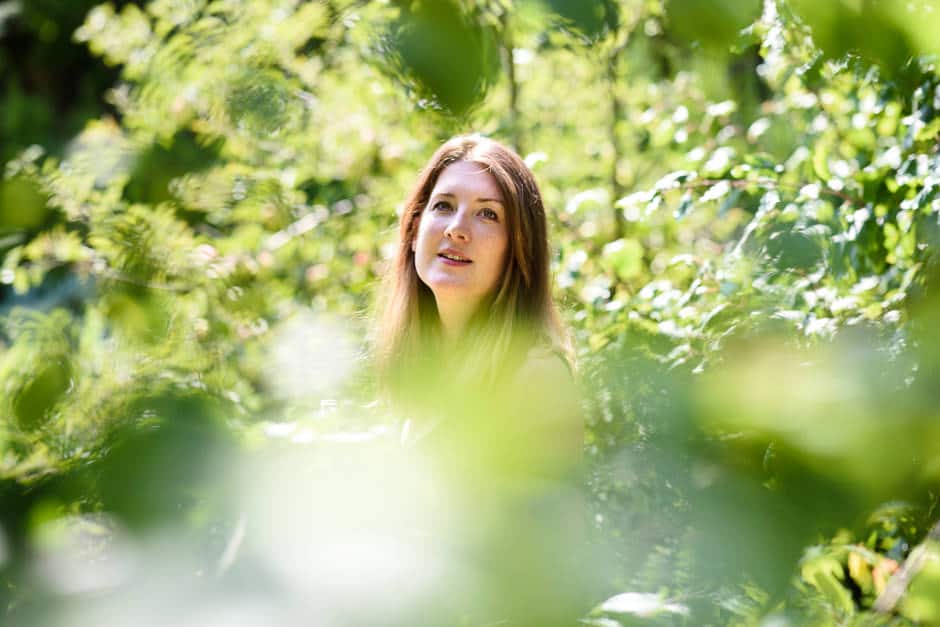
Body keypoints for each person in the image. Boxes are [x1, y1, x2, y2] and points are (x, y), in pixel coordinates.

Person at [372, 134, 587, 625]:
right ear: (413, 228)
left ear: (521, 250)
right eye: (443, 206)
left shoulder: (532, 377)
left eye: (487, 214)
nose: (457, 229)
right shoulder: (417, 374)